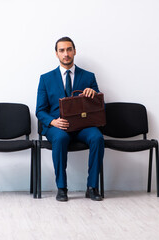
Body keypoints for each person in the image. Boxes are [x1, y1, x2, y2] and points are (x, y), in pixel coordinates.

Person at [36, 37, 104, 201]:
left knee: (97, 137)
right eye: (62, 50)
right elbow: (40, 110)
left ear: (74, 51)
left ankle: (92, 187)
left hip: (83, 126)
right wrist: (53, 122)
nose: (66, 54)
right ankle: (61, 188)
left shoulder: (88, 77)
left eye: (68, 49)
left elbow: (100, 107)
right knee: (60, 138)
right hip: (57, 126)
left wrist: (93, 95)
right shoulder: (46, 79)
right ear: (56, 53)